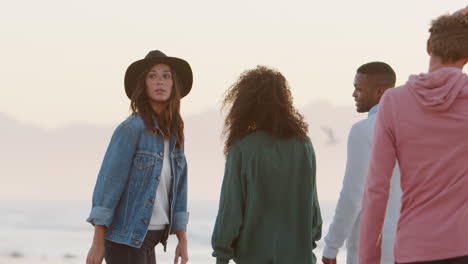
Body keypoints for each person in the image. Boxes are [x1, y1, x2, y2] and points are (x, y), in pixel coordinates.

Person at [359, 7, 468, 264]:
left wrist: (368, 258)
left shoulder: (394, 103)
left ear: (429, 46)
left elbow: (376, 188)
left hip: (414, 248)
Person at [85, 50, 192, 264]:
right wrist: (98, 243)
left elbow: (180, 190)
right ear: (143, 84)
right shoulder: (130, 130)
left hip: (150, 238)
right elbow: (108, 187)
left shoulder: (175, 135)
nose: (159, 81)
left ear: (174, 84)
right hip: (125, 239)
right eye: (152, 76)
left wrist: (182, 239)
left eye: (166, 76)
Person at [211, 66, 322, 264]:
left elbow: (231, 211)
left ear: (246, 104)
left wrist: (222, 255)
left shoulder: (243, 148)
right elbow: (314, 215)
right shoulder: (304, 146)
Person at [322, 62, 401, 264]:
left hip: (372, 249)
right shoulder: (413, 129)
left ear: (379, 92)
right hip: (410, 245)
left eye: (359, 89)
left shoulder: (363, 130)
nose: (354, 95)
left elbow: (353, 195)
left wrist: (332, 246)